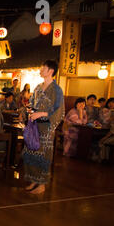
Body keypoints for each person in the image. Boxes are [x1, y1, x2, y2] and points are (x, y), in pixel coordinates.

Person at [22, 60, 65, 195]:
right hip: (34, 126)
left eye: (43, 68)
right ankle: (34, 180)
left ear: (50, 71)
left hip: (46, 128)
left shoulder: (57, 90)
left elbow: (59, 111)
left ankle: (42, 184)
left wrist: (41, 113)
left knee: (43, 155)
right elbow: (31, 104)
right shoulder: (38, 88)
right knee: (30, 152)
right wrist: (29, 112)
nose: (40, 70)